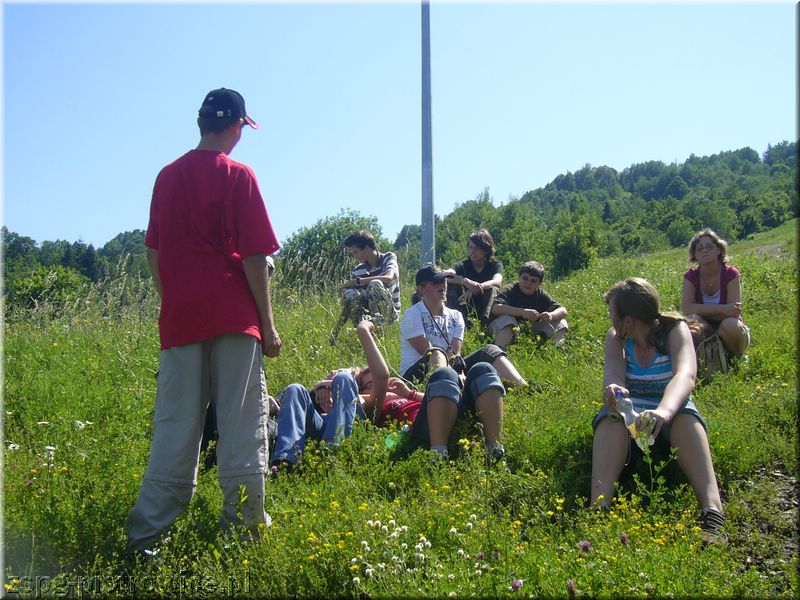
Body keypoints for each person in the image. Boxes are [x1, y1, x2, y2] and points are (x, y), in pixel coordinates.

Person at [127, 88, 281, 556]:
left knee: (176, 425)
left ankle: (147, 537)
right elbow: (255, 258)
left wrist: (174, 301)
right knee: (239, 425)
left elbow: (154, 254)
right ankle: (244, 535)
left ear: (201, 124)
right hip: (234, 317)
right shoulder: (239, 175)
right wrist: (268, 325)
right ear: (235, 126)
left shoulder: (166, 177)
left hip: (181, 319)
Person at [591, 277, 726, 542]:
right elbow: (614, 374)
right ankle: (600, 506)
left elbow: (685, 375)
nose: (610, 319)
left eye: (612, 313)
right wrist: (614, 391)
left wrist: (664, 413)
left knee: (687, 420)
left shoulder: (675, 330)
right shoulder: (616, 339)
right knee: (609, 422)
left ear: (628, 319)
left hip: (671, 404)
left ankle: (712, 512)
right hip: (633, 409)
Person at [271, 320, 389, 469]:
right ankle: (286, 461)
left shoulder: (370, 407)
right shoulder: (337, 395)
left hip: (344, 436)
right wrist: (324, 389)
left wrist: (363, 329)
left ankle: (331, 453)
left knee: (344, 378)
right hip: (319, 428)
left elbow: (382, 376)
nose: (371, 389)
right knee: (295, 389)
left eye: (371, 385)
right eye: (365, 385)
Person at [400, 265, 527, 388]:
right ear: (421, 289)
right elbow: (426, 353)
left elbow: (454, 353)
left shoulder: (456, 315)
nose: (442, 285)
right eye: (435, 282)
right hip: (416, 375)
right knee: (436, 353)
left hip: (448, 369)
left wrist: (460, 373)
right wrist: (455, 374)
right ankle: (442, 394)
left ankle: (523, 388)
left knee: (490, 351)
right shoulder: (412, 314)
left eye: (443, 280)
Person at [681, 228, 750, 358]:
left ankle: (736, 357)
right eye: (700, 248)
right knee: (691, 323)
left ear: (718, 250)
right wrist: (723, 309)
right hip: (704, 326)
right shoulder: (690, 277)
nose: (705, 250)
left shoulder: (731, 274)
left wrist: (702, 310)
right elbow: (688, 309)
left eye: (709, 247)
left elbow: (735, 311)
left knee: (731, 325)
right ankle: (707, 359)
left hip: (727, 325)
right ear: (694, 255)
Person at [329, 230, 400, 344]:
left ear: (367, 248)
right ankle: (363, 333)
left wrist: (357, 281)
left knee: (375, 284)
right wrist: (336, 332)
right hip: (367, 315)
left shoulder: (388, 257)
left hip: (389, 314)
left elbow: (389, 277)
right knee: (350, 293)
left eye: (356, 252)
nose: (354, 256)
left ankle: (379, 332)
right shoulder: (358, 270)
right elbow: (349, 304)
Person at [489, 261, 569, 348]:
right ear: (519, 278)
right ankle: (499, 352)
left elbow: (563, 310)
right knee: (508, 320)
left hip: (529, 331)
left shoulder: (540, 294)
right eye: (525, 278)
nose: (528, 283)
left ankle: (558, 349)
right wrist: (523, 312)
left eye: (533, 281)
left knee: (561, 321)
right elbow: (496, 308)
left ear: (539, 284)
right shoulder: (510, 290)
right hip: (506, 330)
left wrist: (551, 315)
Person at [444, 229, 504, 327]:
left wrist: (476, 288)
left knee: (493, 289)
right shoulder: (462, 265)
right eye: (470, 247)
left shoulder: (495, 265)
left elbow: (497, 281)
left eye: (476, 248)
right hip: (465, 305)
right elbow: (445, 275)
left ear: (485, 249)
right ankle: (456, 323)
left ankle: (485, 325)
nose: (472, 251)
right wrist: (465, 281)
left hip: (485, 304)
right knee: (450, 285)